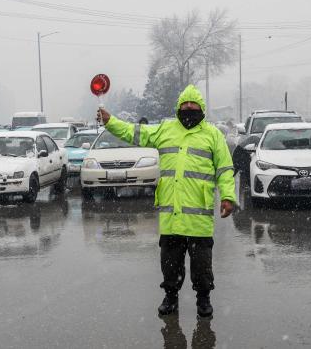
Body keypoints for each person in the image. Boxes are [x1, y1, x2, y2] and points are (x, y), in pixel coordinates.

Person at [97, 85, 236, 318]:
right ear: (178, 107)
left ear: (201, 109)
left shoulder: (213, 135)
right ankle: (170, 297)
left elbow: (224, 169)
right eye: (185, 105)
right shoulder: (165, 130)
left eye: (193, 105)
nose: (189, 109)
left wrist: (228, 196)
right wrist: (111, 121)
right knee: (170, 265)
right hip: (171, 218)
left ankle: (204, 300)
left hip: (199, 219)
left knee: (202, 267)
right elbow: (134, 132)